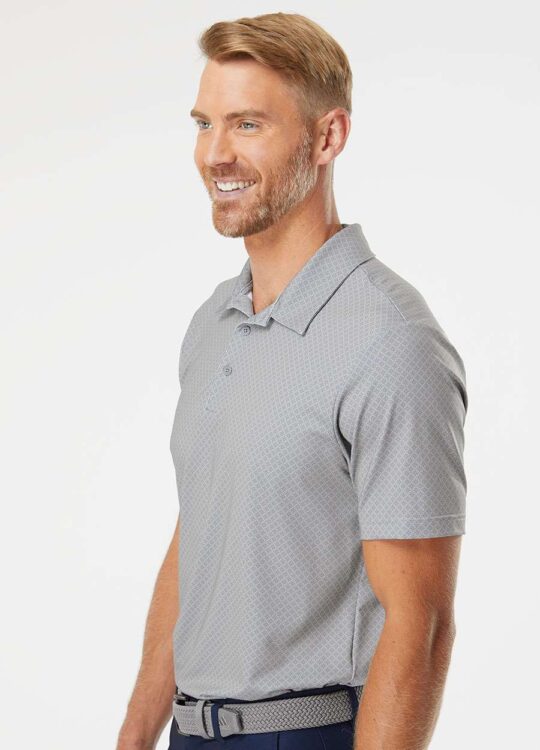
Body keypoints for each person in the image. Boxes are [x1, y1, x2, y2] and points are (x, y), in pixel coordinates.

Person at [116, 12, 468, 750]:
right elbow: (200, 538)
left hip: (308, 733)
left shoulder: (390, 340)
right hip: (191, 731)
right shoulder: (215, 321)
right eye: (204, 124)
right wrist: (135, 734)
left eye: (247, 124)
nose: (216, 154)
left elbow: (422, 624)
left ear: (328, 136)